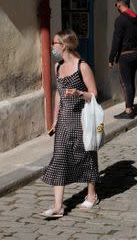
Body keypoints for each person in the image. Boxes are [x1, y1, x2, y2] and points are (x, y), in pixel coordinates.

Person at [41, 30, 100, 218]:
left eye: (54, 44)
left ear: (63, 46)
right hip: (65, 120)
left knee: (86, 155)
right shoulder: (58, 67)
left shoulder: (82, 66)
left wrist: (79, 94)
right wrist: (55, 118)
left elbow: (94, 93)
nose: (52, 47)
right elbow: (58, 93)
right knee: (59, 158)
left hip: (82, 118)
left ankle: (91, 194)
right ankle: (58, 206)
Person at [109, 0, 137, 118]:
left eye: (116, 5)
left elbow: (116, 40)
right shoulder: (136, 18)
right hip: (135, 54)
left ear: (120, 4)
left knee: (125, 83)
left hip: (125, 56)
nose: (116, 7)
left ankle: (128, 110)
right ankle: (131, 106)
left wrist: (111, 58)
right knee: (130, 82)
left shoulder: (120, 19)